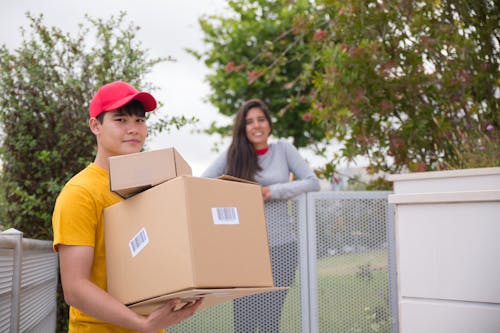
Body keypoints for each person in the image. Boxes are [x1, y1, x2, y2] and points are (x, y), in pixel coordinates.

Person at [52, 81, 202, 333]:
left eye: (139, 121)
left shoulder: (151, 187)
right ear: (95, 126)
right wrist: (141, 324)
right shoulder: (80, 193)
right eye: (120, 120)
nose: (133, 129)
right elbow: (75, 288)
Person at [202, 98, 320, 333]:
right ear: (242, 128)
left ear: (269, 124)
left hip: (281, 247)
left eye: (261, 119)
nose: (256, 126)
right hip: (243, 249)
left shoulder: (284, 150)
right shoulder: (233, 155)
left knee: (269, 322)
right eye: (249, 122)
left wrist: (272, 192)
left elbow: (312, 182)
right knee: (244, 324)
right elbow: (203, 182)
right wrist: (236, 195)